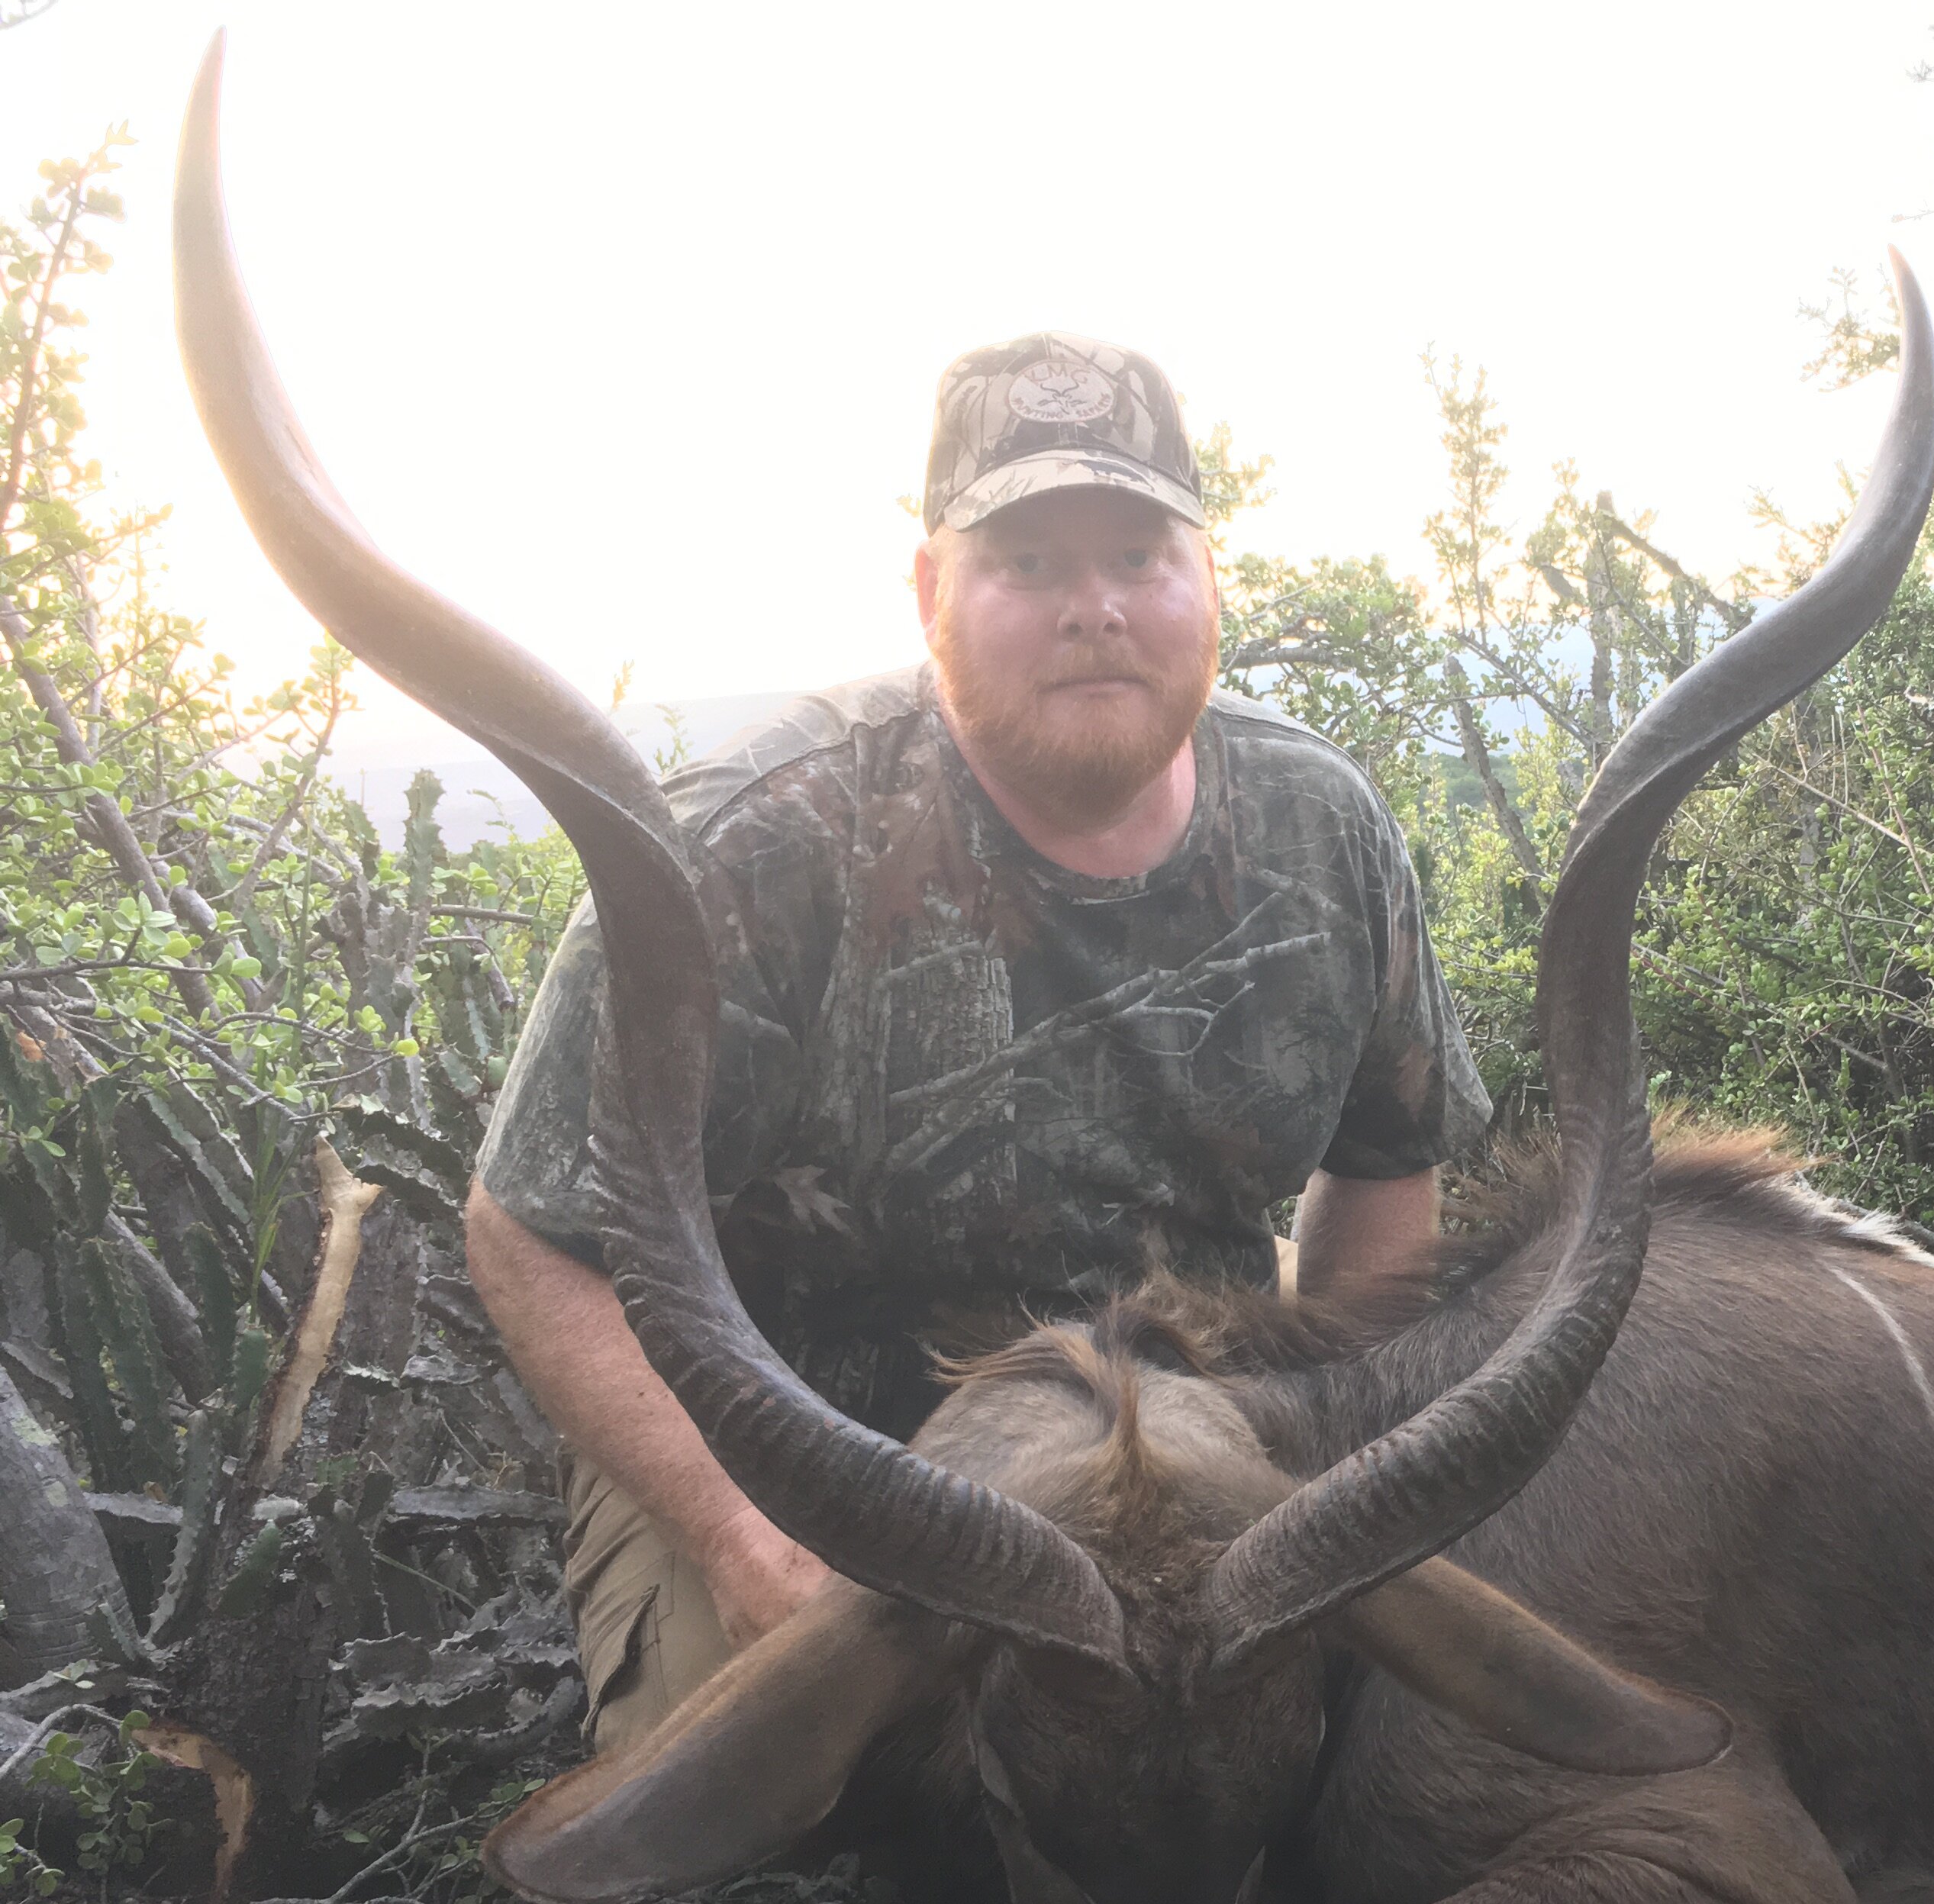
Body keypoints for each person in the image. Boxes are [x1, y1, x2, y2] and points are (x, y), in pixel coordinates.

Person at [466, 331, 1491, 1752]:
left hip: (1179, 1446)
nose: (1096, 609)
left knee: (1370, 1754)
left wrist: (1337, 1471)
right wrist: (735, 1527)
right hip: (811, 1452)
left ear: (1207, 578)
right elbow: (532, 1235)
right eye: (1028, 564)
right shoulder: (752, 841)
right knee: (792, 1787)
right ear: (932, 588)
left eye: (1140, 554)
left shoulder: (1323, 827)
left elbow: (1385, 1161)